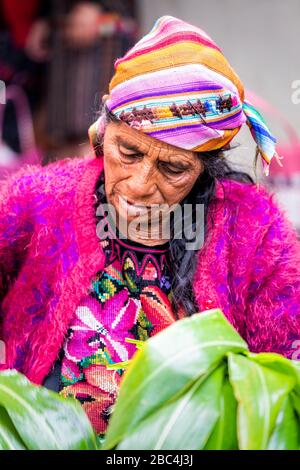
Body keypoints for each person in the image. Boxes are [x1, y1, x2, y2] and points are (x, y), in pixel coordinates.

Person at [1, 16, 300, 436]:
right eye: (128, 152)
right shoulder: (38, 201)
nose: (141, 186)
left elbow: (285, 369)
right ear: (103, 133)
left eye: (173, 168)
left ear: (206, 169)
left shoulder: (254, 232)